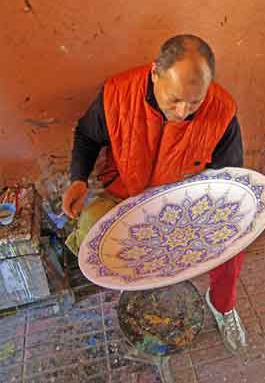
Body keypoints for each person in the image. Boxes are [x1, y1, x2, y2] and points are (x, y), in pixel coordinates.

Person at [63, 34, 247, 354]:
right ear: (154, 74)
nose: (182, 111)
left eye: (194, 102)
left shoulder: (222, 109)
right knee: (93, 231)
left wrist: (209, 226)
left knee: (232, 245)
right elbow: (86, 136)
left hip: (182, 201)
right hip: (125, 194)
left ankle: (222, 306)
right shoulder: (117, 93)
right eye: (174, 99)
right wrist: (78, 180)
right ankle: (132, 290)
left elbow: (227, 179)